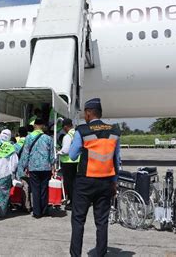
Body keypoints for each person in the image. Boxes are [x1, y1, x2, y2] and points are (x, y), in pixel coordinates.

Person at [69, 98, 121, 257]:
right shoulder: (114, 131)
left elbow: (72, 155)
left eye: (85, 113)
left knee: (78, 221)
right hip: (106, 181)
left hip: (85, 181)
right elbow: (116, 159)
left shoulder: (82, 130)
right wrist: (114, 181)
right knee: (102, 222)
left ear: (89, 113)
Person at [18, 119, 55, 218]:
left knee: (35, 190)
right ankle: (45, 210)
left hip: (33, 167)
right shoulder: (48, 138)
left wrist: (23, 166)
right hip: (46, 167)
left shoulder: (29, 138)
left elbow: (25, 153)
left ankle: (37, 212)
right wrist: (53, 165)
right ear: (42, 126)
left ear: (34, 126)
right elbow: (51, 154)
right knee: (44, 189)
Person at [57, 118, 79, 211]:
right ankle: (76, 201)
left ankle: (72, 203)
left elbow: (65, 150)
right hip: (76, 161)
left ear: (66, 126)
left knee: (69, 183)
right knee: (75, 182)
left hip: (67, 162)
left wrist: (59, 152)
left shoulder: (67, 136)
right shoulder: (77, 134)